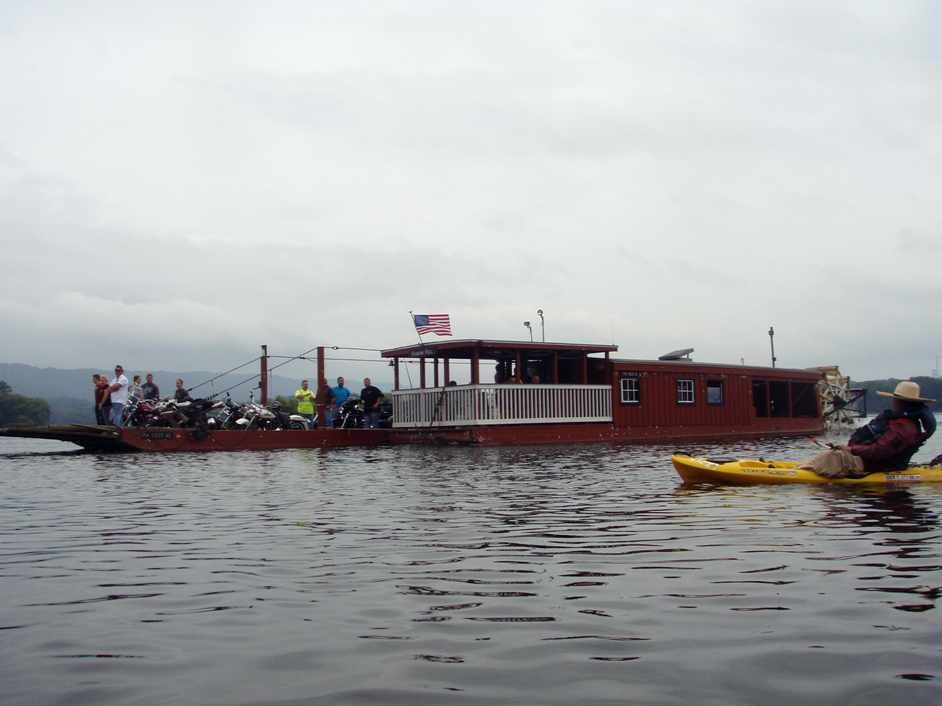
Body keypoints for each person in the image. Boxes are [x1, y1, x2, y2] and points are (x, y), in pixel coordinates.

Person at [800, 381, 935, 478]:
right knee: (835, 454)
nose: (893, 402)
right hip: (870, 461)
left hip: (873, 465)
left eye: (896, 399)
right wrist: (847, 448)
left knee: (833, 457)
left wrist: (851, 450)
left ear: (903, 403)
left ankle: (801, 471)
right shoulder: (901, 422)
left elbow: (880, 451)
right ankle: (804, 468)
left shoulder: (904, 428)